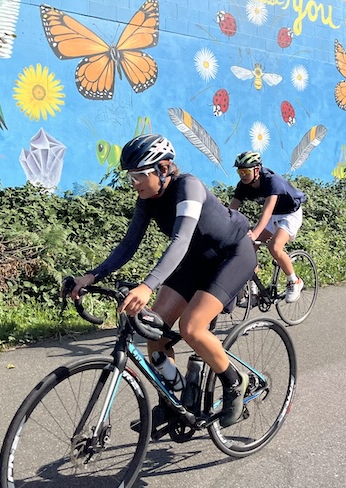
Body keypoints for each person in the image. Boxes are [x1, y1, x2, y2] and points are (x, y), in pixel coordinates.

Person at [69, 134, 256, 427]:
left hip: (231, 256)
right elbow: (128, 244)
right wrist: (93, 275)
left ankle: (235, 381)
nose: (136, 183)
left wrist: (147, 285)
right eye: (131, 176)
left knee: (191, 328)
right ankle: (176, 398)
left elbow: (181, 240)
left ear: (165, 168)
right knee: (154, 332)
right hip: (195, 261)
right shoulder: (148, 199)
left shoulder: (189, 187)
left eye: (141, 175)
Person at [229, 151, 307, 302]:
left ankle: (295, 281)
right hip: (274, 216)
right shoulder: (243, 185)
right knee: (249, 249)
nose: (242, 175)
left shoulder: (271, 181)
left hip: (290, 214)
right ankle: (255, 292)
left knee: (274, 247)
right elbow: (231, 210)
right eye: (239, 171)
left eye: (245, 171)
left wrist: (255, 233)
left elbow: (267, 212)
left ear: (257, 170)